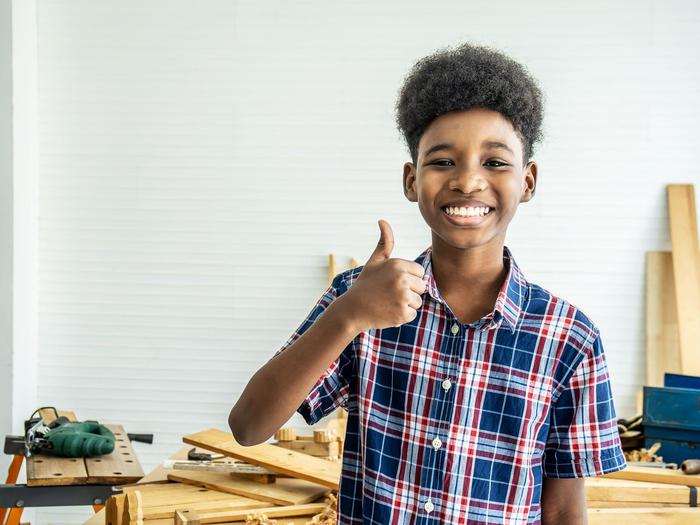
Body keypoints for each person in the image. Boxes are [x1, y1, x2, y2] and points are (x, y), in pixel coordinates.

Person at [229, 42, 626, 524]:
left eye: (495, 162)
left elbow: (563, 508)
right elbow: (249, 426)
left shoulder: (570, 339)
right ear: (412, 180)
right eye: (443, 162)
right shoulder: (358, 300)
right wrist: (349, 314)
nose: (468, 181)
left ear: (528, 181)